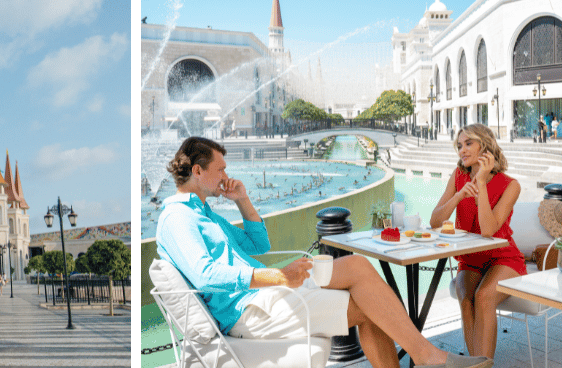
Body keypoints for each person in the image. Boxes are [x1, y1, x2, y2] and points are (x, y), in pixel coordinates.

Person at [157, 137, 492, 368]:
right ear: (198, 171)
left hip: (263, 297)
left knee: (357, 265)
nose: (226, 176)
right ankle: (428, 356)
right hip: (248, 311)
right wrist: (279, 276)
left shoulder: (205, 213)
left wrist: (243, 200)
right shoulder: (178, 217)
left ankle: (425, 355)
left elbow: (259, 245)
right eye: (220, 169)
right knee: (369, 307)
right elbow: (205, 275)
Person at [429, 124, 524, 359]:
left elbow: (488, 230)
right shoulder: (458, 175)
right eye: (459, 145)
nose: (462, 150)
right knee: (466, 299)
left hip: (503, 259)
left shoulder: (511, 185)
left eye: (468, 143)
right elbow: (435, 221)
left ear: (485, 145)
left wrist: (481, 183)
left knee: (483, 296)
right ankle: (476, 363)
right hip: (471, 259)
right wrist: (459, 195)